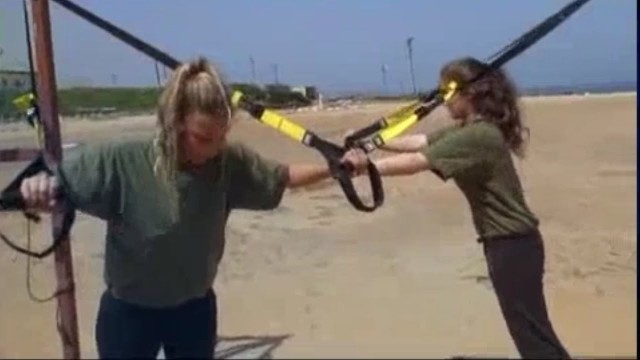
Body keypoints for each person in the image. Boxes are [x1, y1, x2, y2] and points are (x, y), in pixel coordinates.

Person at [19, 56, 356, 359]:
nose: (215, 147)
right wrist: (35, 189)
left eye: (221, 136)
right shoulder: (122, 160)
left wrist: (335, 167)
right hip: (129, 314)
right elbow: (54, 185)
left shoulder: (228, 163)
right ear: (175, 123)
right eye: (204, 137)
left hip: (194, 312)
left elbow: (282, 178)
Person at [346, 56, 571, 359]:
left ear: (469, 94)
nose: (442, 100)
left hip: (512, 245)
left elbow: (417, 162)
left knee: (532, 336)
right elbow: (421, 142)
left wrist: (363, 166)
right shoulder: (472, 129)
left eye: (446, 92)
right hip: (509, 243)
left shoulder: (478, 136)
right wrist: (370, 143)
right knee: (530, 330)